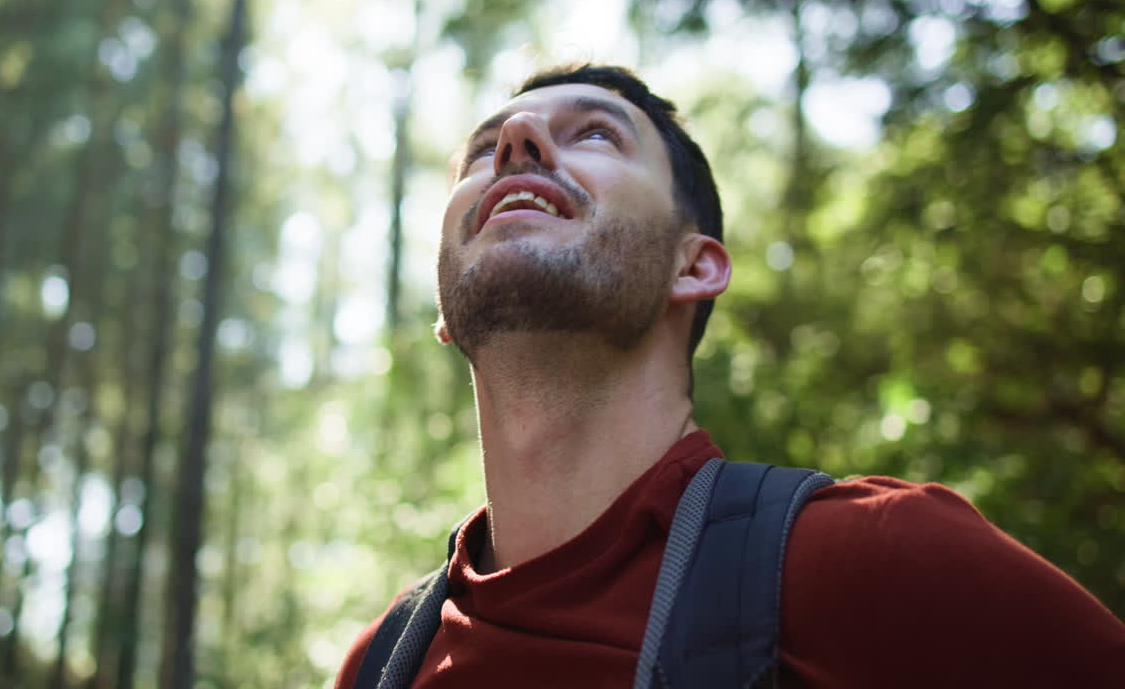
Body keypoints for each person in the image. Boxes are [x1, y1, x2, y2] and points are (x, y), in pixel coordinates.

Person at [334, 64, 1125, 688]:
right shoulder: (377, 666)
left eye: (599, 136)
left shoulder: (878, 562)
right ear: (446, 308)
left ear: (696, 265)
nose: (519, 138)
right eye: (483, 149)